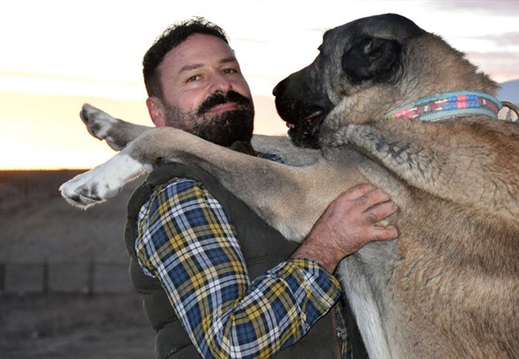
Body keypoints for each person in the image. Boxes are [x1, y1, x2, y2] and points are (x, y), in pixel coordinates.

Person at [122, 17, 399, 359]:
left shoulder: (285, 168)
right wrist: (328, 246)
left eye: (230, 70)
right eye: (194, 78)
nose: (222, 85)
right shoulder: (181, 194)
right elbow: (232, 343)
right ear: (158, 113)